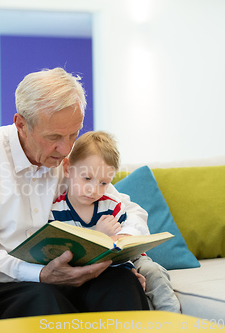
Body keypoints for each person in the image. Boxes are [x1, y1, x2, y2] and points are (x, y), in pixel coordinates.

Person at [0, 67, 150, 320]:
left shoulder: (71, 157)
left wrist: (122, 240)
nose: (66, 148)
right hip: (14, 281)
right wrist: (41, 275)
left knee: (122, 282)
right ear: (21, 124)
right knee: (44, 300)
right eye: (54, 137)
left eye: (73, 134)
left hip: (78, 271)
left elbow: (130, 210)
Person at [49, 130, 181, 313]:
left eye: (103, 183)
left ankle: (173, 322)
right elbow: (62, 256)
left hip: (126, 262)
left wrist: (129, 268)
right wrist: (98, 236)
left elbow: (126, 246)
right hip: (92, 272)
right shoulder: (56, 211)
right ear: (67, 168)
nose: (94, 189)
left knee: (153, 272)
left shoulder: (112, 206)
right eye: (87, 179)